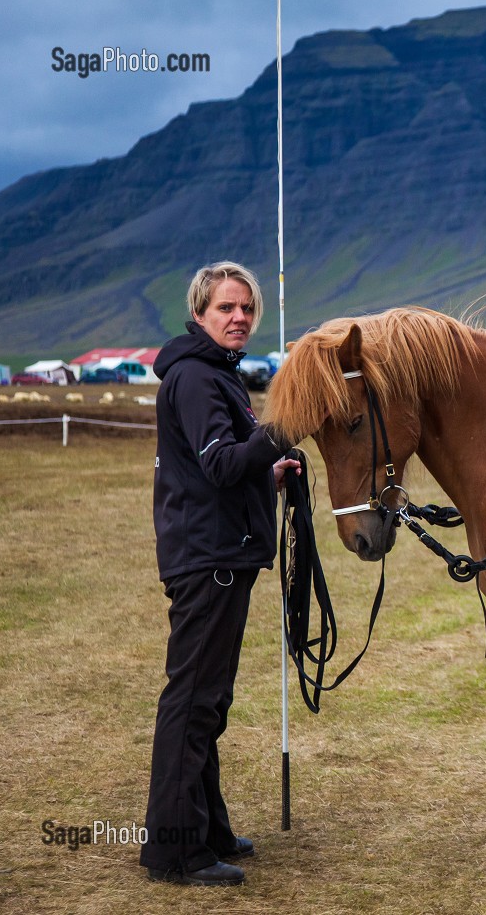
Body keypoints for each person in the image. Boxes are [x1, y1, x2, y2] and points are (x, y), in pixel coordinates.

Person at [141, 262, 299, 886]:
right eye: (225, 308)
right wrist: (281, 430)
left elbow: (230, 464)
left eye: (246, 309)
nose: (238, 318)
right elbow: (220, 464)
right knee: (194, 699)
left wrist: (270, 468)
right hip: (209, 561)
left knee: (210, 698)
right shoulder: (198, 378)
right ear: (200, 315)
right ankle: (179, 851)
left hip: (218, 555)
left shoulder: (214, 376)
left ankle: (206, 828)